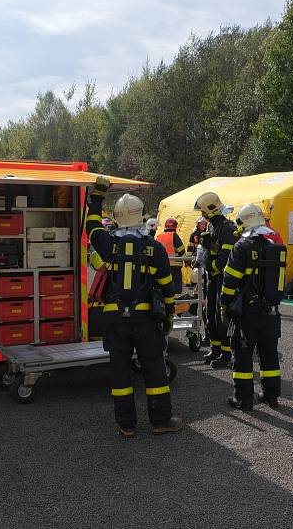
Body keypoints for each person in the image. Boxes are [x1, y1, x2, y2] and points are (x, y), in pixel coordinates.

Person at [85, 177, 183, 438]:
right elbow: (166, 287)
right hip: (146, 321)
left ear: (116, 217)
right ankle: (161, 421)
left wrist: (96, 197)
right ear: (141, 215)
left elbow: (92, 226)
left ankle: (126, 425)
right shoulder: (155, 248)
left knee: (119, 372)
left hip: (115, 321)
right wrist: (169, 316)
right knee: (153, 369)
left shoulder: (109, 245)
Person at [220, 203, 285, 410]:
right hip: (271, 312)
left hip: (247, 313)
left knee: (243, 357)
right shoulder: (271, 247)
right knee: (269, 355)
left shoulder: (241, 247)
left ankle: (243, 399)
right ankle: (271, 396)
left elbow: (230, 280)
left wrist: (225, 304)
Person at [194, 192, 237, 368]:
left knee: (222, 316)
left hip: (222, 278)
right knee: (209, 314)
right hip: (212, 277)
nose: (202, 215)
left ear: (211, 211)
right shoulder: (212, 226)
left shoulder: (227, 228)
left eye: (203, 212)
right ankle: (216, 349)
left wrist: (213, 268)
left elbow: (227, 256)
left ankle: (227, 355)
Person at [157, 218, 186, 294]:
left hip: (162, 266)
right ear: (175, 227)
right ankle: (176, 303)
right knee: (176, 287)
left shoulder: (159, 236)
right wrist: (187, 261)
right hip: (174, 267)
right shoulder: (174, 236)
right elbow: (181, 250)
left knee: (165, 286)